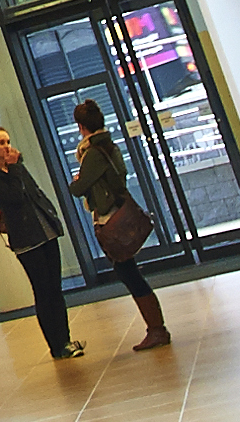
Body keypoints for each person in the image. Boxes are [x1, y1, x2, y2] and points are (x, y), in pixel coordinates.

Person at [0, 123, 83, 359]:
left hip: (45, 230)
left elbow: (33, 190)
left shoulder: (16, 165)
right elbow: (14, 197)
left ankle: (66, 339)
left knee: (55, 288)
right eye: (1, 143)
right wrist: (14, 168)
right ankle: (56, 346)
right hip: (26, 238)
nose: (7, 147)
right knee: (43, 290)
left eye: (8, 142)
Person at [69, 97, 172, 351]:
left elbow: (79, 188)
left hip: (109, 218)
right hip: (118, 211)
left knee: (129, 274)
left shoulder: (93, 153)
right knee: (130, 272)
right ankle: (156, 328)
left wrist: (77, 180)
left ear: (81, 126)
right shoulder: (110, 146)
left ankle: (157, 329)